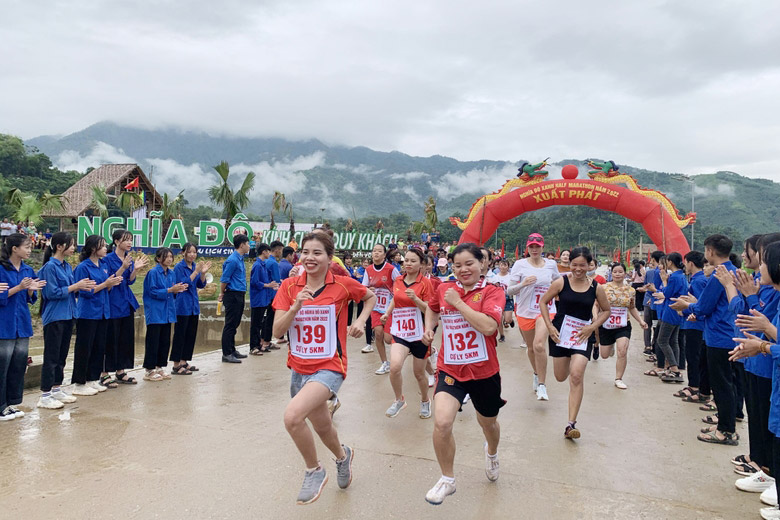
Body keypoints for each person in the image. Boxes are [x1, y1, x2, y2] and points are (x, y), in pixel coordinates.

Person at [272, 232, 375, 505]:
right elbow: (276, 331)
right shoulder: (289, 287)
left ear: (330, 258)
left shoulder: (342, 285)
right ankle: (343, 457)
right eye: (305, 252)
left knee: (293, 417)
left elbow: (370, 297)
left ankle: (314, 470)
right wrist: (296, 306)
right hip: (298, 368)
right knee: (322, 426)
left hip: (330, 366)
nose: (310, 257)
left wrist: (361, 321)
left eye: (317, 253)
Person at [422, 243, 505, 505]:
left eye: (469, 263)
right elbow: (433, 307)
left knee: (488, 423)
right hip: (451, 368)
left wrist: (458, 303)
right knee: (442, 422)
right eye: (457, 265)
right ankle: (447, 478)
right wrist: (429, 327)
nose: (463, 269)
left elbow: (489, 327)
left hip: (484, 372)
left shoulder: (493, 292)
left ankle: (491, 452)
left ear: (483, 264)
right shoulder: (444, 288)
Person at [728, 240, 780, 519]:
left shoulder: (770, 291)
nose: (758, 266)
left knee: (771, 428)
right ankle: (764, 469)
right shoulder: (767, 287)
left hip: (767, 365)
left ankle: (770, 472)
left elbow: (751, 317)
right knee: (761, 421)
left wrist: (737, 291)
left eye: (761, 259)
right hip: (759, 362)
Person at [670, 234, 739, 445]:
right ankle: (725, 423)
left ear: (709, 251)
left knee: (721, 384)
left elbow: (704, 307)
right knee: (726, 382)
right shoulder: (733, 271)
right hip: (727, 332)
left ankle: (726, 430)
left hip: (719, 335)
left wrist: (687, 306)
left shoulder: (720, 275)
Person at [540, 246, 610, 439]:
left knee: (577, 376)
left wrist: (591, 327)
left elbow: (606, 311)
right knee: (561, 376)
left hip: (582, 335)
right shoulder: (560, 282)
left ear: (590, 265)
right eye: (574, 265)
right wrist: (549, 325)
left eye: (583, 265)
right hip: (560, 334)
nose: (578, 269)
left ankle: (571, 425)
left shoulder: (597, 287)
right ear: (569, 264)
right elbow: (543, 302)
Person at [36, 232, 94, 409]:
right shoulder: (49, 268)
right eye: (70, 245)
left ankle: (56, 388)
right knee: (52, 356)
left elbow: (71, 290)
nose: (73, 248)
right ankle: (45, 394)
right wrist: (75, 286)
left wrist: (80, 287)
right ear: (59, 246)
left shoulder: (67, 266)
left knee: (62, 355)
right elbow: (51, 293)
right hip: (55, 317)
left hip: (69, 315)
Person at [380, 247, 434, 418]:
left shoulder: (426, 283)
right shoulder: (398, 281)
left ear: (421, 265)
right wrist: (387, 313)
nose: (408, 264)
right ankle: (399, 400)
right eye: (406, 260)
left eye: (413, 261)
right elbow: (395, 300)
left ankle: (425, 400)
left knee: (419, 373)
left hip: (419, 334)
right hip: (400, 332)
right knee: (395, 367)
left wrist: (416, 299)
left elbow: (431, 309)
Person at [507, 233, 560, 401]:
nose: (535, 249)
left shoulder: (551, 265)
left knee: (539, 345)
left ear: (542, 247)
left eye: (538, 246)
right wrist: (523, 284)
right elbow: (509, 290)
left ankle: (543, 386)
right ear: (527, 248)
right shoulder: (519, 265)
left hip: (546, 310)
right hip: (524, 312)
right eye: (532, 246)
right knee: (531, 348)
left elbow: (559, 283)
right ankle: (537, 374)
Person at [73, 235, 122, 395]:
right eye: (102, 246)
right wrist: (105, 284)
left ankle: (92, 379)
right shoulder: (83, 267)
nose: (105, 249)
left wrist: (109, 285)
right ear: (93, 248)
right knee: (84, 348)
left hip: (103, 312)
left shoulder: (103, 265)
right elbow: (84, 292)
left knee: (98, 348)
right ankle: (79, 383)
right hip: (88, 313)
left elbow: (105, 288)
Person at [0, 234, 42, 420]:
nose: (29, 250)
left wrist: (31, 289)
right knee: (3, 365)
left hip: (22, 324)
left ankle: (12, 403)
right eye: (26, 246)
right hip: (5, 324)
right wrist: (18, 287)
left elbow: (30, 299)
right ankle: (1, 405)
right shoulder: (1, 269)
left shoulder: (27, 269)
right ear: (14, 248)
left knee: (18, 364)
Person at [103, 229, 149, 387]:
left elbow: (129, 281)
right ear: (116, 242)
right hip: (113, 302)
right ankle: (104, 373)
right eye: (126, 240)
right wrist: (123, 267)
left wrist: (135, 269)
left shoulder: (128, 258)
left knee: (125, 338)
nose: (129, 243)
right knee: (111, 338)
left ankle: (120, 371)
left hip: (126, 302)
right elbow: (110, 280)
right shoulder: (108, 259)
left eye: (130, 240)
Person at [598, 263, 647, 389]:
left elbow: (632, 307)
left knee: (622, 351)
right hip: (606, 324)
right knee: (604, 355)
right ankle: (611, 346)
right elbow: (596, 305)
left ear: (625, 273)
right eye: (615, 272)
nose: (617, 274)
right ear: (611, 273)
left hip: (623, 325)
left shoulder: (630, 290)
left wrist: (641, 321)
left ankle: (618, 378)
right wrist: (594, 317)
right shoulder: (603, 288)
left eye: (620, 272)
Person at [143, 248, 187, 381]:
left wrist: (177, 290)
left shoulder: (172, 273)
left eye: (170, 256)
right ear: (158, 258)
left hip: (168, 313)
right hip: (156, 312)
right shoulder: (153, 273)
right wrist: (170, 290)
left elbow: (171, 291)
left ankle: (160, 366)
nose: (169, 259)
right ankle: (149, 369)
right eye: (166, 256)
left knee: (164, 341)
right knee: (153, 341)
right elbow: (152, 292)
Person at [361, 243, 401, 374]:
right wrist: (368, 289)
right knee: (378, 334)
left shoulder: (391, 269)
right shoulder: (368, 270)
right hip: (376, 307)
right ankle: (385, 363)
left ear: (384, 255)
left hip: (390, 307)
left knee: (388, 339)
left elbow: (400, 283)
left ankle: (402, 350)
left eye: (379, 251)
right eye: (374, 251)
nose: (376, 253)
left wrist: (395, 294)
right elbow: (363, 288)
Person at [171, 243, 210, 374]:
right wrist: (196, 272)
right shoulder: (179, 267)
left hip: (193, 305)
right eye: (189, 252)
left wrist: (203, 273)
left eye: (194, 252)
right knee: (180, 335)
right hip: (182, 305)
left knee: (190, 334)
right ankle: (176, 364)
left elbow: (201, 284)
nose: (192, 255)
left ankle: (184, 361)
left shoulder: (194, 266)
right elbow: (183, 284)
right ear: (183, 253)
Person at [675, 251, 709, 403]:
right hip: (693, 322)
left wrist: (685, 309)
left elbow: (701, 305)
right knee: (692, 356)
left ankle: (696, 386)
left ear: (690, 263)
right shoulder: (696, 279)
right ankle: (694, 384)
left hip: (696, 325)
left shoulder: (699, 281)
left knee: (694, 357)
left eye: (686, 262)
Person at [654, 252, 689, 383]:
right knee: (673, 341)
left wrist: (664, 281)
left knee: (662, 340)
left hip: (670, 311)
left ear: (670, 263)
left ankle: (674, 368)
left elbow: (667, 293)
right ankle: (675, 366)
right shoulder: (682, 276)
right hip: (677, 311)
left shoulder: (674, 277)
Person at [219, 234, 250, 363]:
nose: (249, 246)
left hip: (239, 293)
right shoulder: (232, 260)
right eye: (248, 243)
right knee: (230, 324)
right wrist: (222, 293)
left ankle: (232, 349)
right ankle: (226, 353)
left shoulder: (240, 259)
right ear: (242, 245)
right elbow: (224, 279)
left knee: (235, 323)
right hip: (233, 294)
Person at [250, 243, 279, 355]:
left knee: (260, 323)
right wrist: (268, 285)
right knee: (255, 324)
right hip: (258, 298)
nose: (269, 253)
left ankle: (259, 344)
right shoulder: (257, 265)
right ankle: (253, 346)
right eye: (268, 251)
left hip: (263, 298)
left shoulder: (262, 265)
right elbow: (254, 282)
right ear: (264, 252)